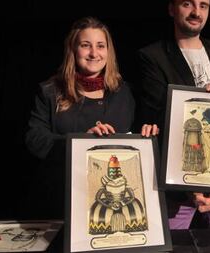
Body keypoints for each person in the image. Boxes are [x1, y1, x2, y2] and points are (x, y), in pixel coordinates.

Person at [25, 17, 156, 218]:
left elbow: (141, 133)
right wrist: (80, 143)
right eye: (86, 46)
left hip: (115, 204)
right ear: (73, 50)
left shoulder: (125, 92)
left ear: (108, 51)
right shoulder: (50, 91)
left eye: (100, 46)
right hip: (64, 199)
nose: (94, 53)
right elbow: (35, 139)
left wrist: (148, 132)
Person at [137, 0, 210, 229]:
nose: (196, 12)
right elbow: (159, 116)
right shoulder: (152, 56)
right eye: (187, 4)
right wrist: (188, 187)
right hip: (177, 183)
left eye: (203, 5)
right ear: (172, 9)